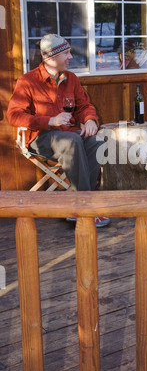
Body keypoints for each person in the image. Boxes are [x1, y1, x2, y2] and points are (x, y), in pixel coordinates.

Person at [7, 33, 110, 227]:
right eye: (67, 53)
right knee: (72, 142)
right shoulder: (27, 81)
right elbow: (14, 116)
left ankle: (73, 206)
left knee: (97, 143)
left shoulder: (71, 79)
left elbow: (85, 106)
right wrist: (50, 120)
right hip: (40, 138)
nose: (71, 57)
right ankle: (86, 209)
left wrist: (90, 120)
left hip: (70, 136)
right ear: (51, 58)